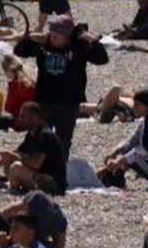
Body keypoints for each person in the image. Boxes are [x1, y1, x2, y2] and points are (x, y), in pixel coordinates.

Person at [13, 15, 109, 158]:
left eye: (57, 36)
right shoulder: (44, 43)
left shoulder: (78, 46)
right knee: (39, 138)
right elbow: (19, 51)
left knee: (63, 141)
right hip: (45, 100)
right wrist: (30, 38)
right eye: (51, 35)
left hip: (69, 102)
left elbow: (102, 59)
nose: (53, 39)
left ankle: (59, 170)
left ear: (67, 36)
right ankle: (39, 170)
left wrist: (92, 39)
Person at [0, 102, 66, 195]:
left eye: (23, 116)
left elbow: (36, 164)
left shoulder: (45, 135)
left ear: (35, 117)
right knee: (9, 163)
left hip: (52, 185)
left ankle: (14, 190)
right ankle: (17, 187)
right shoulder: (31, 134)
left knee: (16, 167)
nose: (20, 119)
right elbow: (17, 153)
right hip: (40, 176)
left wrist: (14, 156)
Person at [1, 55, 35, 130]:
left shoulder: (15, 84)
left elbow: (8, 107)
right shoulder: (31, 79)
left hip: (21, 121)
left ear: (9, 70)